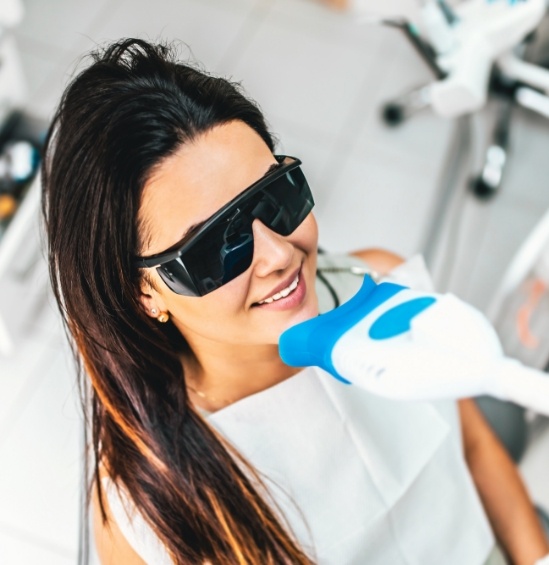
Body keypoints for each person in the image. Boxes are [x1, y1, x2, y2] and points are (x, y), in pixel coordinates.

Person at [41, 38, 549, 565]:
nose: (280, 255)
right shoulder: (145, 505)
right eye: (217, 245)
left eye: (274, 197)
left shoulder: (376, 278)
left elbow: (475, 449)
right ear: (144, 291)